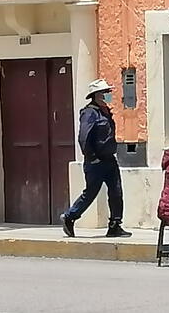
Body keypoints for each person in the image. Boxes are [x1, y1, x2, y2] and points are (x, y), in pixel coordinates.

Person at [60, 79, 132, 238]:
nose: (108, 95)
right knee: (91, 192)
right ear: (96, 95)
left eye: (108, 92)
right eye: (104, 92)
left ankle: (115, 224)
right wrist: (92, 156)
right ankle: (70, 216)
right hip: (96, 161)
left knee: (116, 191)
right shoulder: (89, 113)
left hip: (109, 159)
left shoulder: (105, 111)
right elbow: (83, 137)